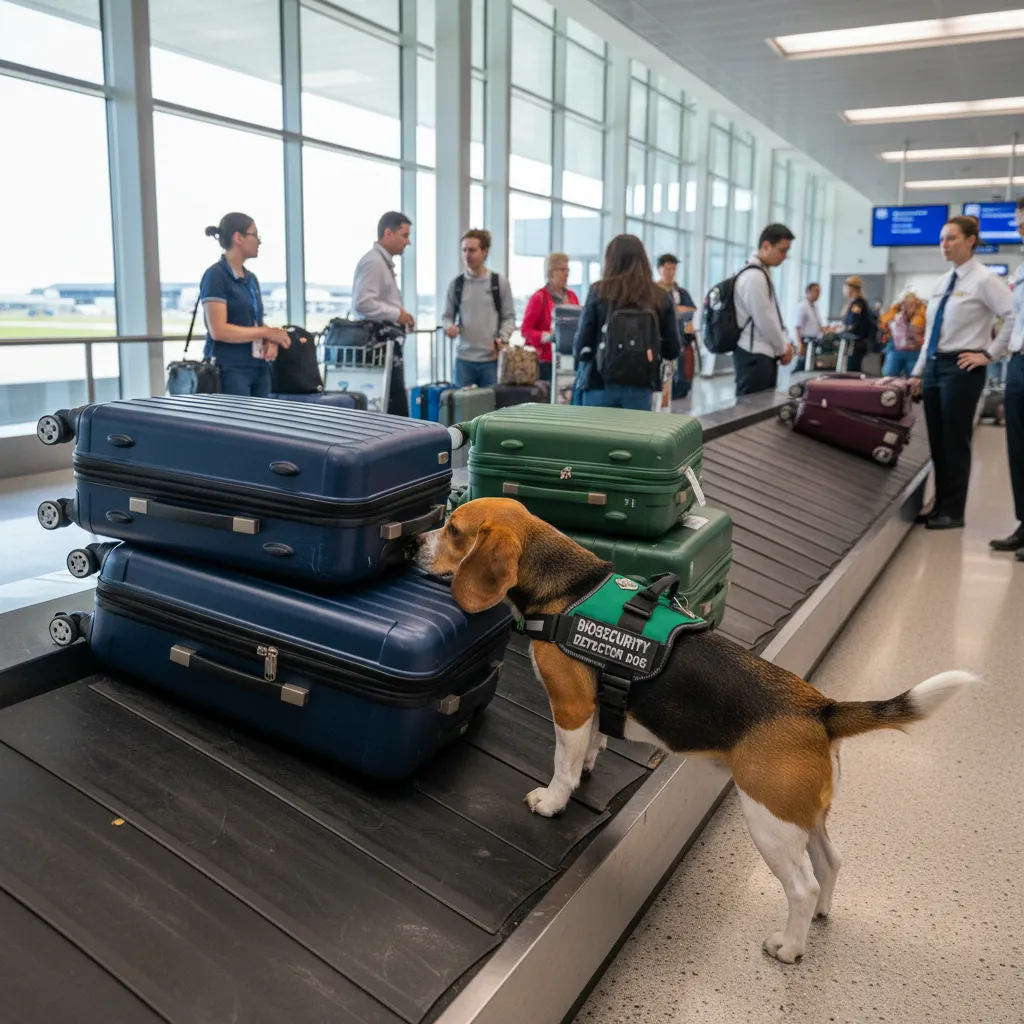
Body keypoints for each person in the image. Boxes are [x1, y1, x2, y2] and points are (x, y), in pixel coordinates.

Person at [909, 215, 1014, 531]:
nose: (944, 244)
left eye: (951, 238)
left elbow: (1013, 316)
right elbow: (930, 333)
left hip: (961, 368)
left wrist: (989, 355)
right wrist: (918, 372)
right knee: (938, 442)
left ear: (970, 240)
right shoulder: (943, 282)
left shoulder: (984, 280)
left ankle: (954, 511)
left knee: (955, 441)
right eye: (942, 238)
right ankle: (940, 504)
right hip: (934, 366)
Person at [573, 234, 681, 410]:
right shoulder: (660, 296)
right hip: (641, 386)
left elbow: (581, 344)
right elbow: (673, 349)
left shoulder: (599, 291)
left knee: (595, 437)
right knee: (633, 436)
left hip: (598, 383)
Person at [199, 213, 291, 397]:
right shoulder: (216, 276)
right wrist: (265, 332)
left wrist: (271, 338)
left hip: (258, 366)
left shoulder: (250, 279)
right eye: (255, 235)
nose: (259, 241)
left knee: (261, 424)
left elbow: (252, 323)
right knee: (236, 425)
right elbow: (218, 330)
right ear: (238, 237)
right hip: (231, 369)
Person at [352, 211, 415, 415]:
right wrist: (396, 314)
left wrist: (401, 315)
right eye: (404, 235)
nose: (408, 242)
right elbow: (363, 303)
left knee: (396, 404)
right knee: (391, 407)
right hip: (378, 346)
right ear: (388, 233)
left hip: (387, 348)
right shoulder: (374, 262)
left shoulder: (381, 262)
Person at [989, 198, 1024, 556]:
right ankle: (1023, 523)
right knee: (1017, 448)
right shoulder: (1020, 270)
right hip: (1018, 362)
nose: (1020, 228)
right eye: (1018, 221)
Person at [442, 229, 516, 389]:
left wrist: (502, 339)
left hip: (491, 361)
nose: (467, 255)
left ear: (485, 251)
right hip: (464, 360)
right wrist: (449, 327)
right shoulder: (456, 285)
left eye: (472, 250)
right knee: (463, 411)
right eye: (464, 250)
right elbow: (447, 316)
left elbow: (509, 317)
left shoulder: (499, 283)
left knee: (492, 412)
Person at [733, 224, 796, 395]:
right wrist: (782, 348)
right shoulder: (754, 277)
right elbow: (765, 320)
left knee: (760, 412)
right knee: (750, 414)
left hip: (762, 354)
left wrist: (782, 344)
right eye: (782, 251)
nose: (784, 256)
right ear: (766, 246)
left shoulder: (761, 273)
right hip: (754, 355)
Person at [520, 252, 579, 383]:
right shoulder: (539, 297)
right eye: (562, 269)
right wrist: (544, 336)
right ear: (551, 272)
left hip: (569, 359)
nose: (566, 273)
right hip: (545, 361)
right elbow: (525, 330)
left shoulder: (572, 296)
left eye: (567, 270)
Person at [878, 289, 927, 377]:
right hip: (895, 348)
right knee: (889, 374)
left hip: (915, 349)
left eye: (910, 304)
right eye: (904, 303)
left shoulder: (923, 313)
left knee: (913, 377)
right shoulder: (894, 313)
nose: (907, 306)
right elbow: (884, 324)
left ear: (916, 303)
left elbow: (922, 329)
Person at [839, 276, 877, 373]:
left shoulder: (858, 304)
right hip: (859, 342)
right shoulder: (855, 303)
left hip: (857, 343)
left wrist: (842, 330)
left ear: (850, 288)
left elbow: (854, 324)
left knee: (852, 369)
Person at [794, 282, 823, 358]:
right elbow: (797, 326)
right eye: (816, 291)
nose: (818, 294)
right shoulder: (803, 306)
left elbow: (817, 324)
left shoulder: (815, 306)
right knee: (803, 365)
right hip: (805, 341)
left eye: (819, 292)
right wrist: (799, 343)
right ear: (809, 291)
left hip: (814, 340)